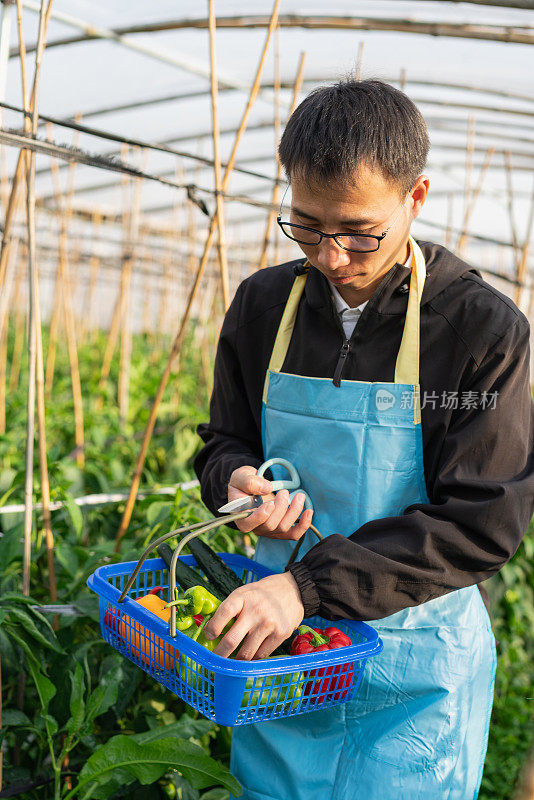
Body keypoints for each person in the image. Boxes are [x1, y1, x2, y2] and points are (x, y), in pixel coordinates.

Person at [193, 79, 534, 800]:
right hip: (284, 663)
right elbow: (222, 439)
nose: (331, 255)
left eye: (358, 232)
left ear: (415, 197)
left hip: (414, 680)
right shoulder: (263, 306)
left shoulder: (478, 331)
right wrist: (236, 482)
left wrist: (308, 585)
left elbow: (482, 521)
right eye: (306, 226)